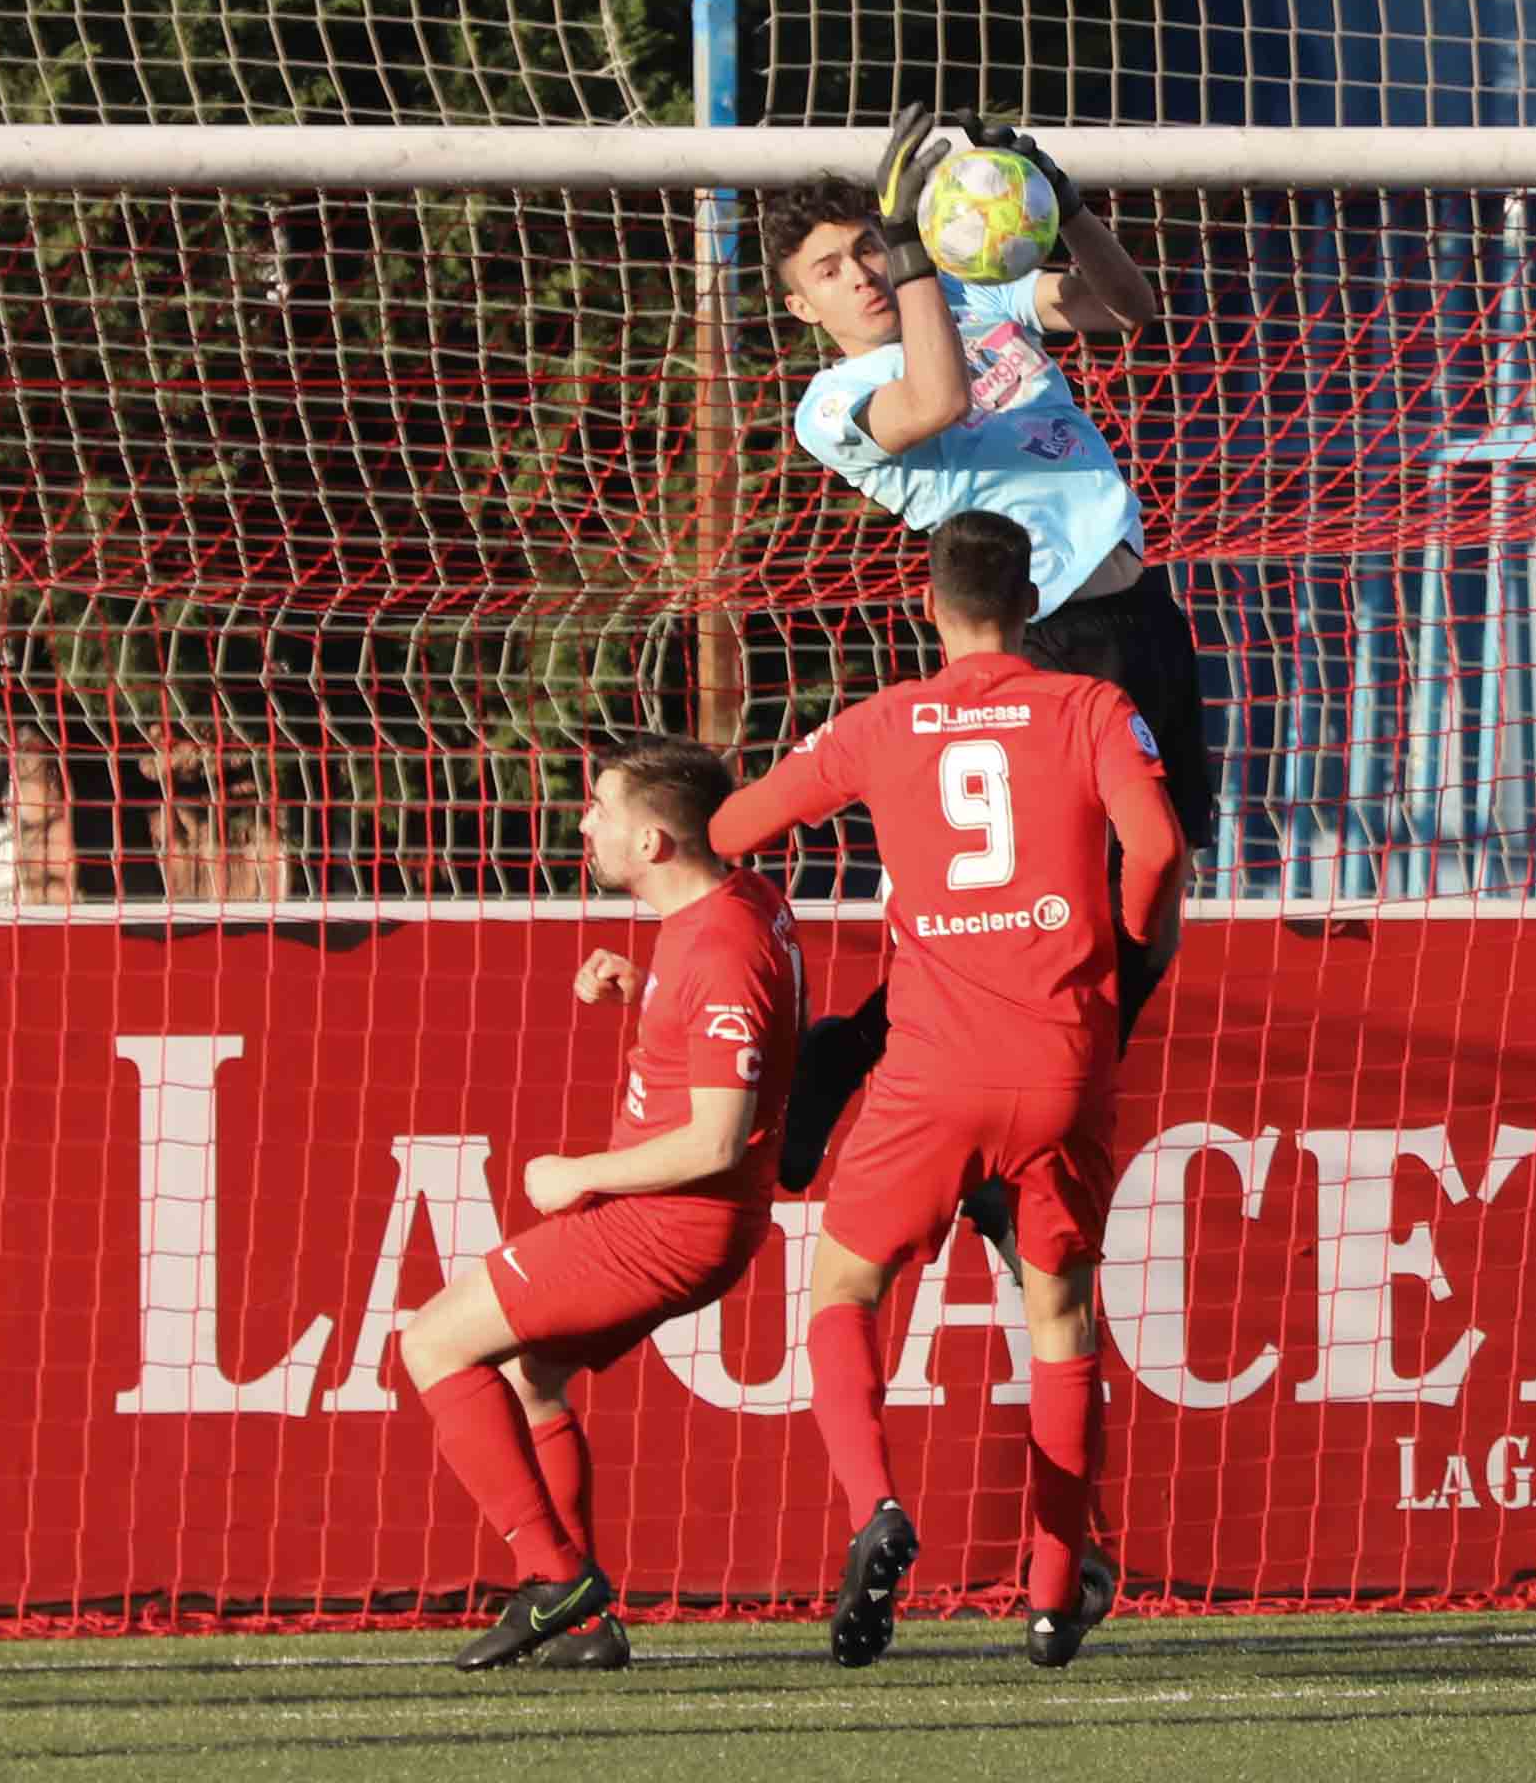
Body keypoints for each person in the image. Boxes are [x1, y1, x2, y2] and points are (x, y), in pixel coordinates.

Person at [709, 510, 1189, 1671]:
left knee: (844, 1283)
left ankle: (876, 1508)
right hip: (1063, 1060)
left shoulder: (886, 722)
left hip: (930, 1065)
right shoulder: (1089, 709)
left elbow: (731, 826)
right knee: (1061, 1317)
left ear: (928, 607)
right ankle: (1049, 1587)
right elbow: (1161, 849)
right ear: (1032, 603)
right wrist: (1120, 974)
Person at [760, 105, 1213, 1205]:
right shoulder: (833, 403)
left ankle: (857, 1055)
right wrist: (916, 246)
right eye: (833, 267)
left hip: (1138, 608)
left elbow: (1129, 309)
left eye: (869, 248)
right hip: (1042, 640)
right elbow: (941, 398)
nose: (863, 274)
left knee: (1161, 890)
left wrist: (1066, 207)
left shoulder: (968, 291)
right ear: (800, 303)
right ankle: (1002, 1151)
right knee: (1058, 910)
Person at [397, 736, 804, 1672]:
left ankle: (556, 1582)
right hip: (689, 1222)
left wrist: (580, 1173)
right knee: (529, 1376)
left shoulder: (724, 944)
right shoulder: (733, 907)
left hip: (670, 1225)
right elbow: (741, 1038)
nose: (586, 822)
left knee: (430, 1342)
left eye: (603, 809)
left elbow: (715, 1138)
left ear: (656, 841)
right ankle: (583, 1627)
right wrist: (646, 998)